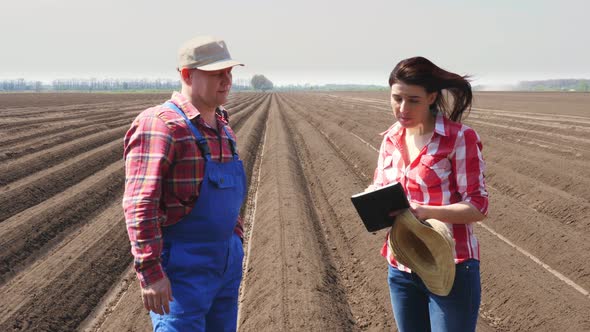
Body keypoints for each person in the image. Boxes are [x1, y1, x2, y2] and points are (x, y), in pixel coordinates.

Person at [122, 35, 247, 331]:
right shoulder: (161, 125)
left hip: (224, 265)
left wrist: (235, 240)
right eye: (217, 73)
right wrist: (151, 273)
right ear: (188, 75)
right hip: (183, 270)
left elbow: (229, 197)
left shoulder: (223, 127)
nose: (227, 79)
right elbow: (141, 204)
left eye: (229, 72)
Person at [370, 56, 489, 332]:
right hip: (402, 267)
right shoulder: (390, 139)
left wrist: (425, 211)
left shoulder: (459, 139)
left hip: (451, 265)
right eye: (396, 98)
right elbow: (379, 187)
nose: (402, 108)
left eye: (413, 100)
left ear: (432, 97)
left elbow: (478, 206)